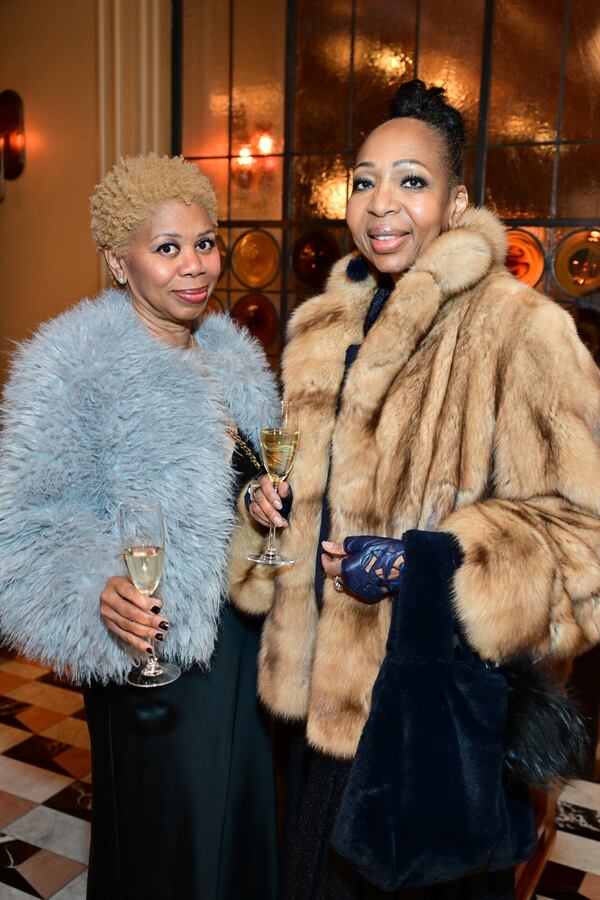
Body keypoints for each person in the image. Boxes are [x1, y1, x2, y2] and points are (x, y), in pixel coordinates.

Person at [229, 80, 600, 899]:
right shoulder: (330, 328)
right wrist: (270, 508)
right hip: (325, 722)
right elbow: (309, 494)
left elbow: (583, 540)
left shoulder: (520, 329)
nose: (380, 203)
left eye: (412, 180)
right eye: (364, 180)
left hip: (432, 723)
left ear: (458, 202)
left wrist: (422, 565)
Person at [0, 153, 279, 900]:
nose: (196, 266)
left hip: (248, 646)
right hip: (154, 646)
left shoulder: (233, 358)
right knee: (172, 849)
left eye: (206, 242)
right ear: (118, 263)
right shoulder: (70, 365)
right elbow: (29, 527)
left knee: (248, 837)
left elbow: (246, 480)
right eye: (167, 248)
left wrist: (262, 497)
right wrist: (99, 590)